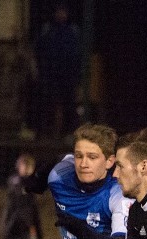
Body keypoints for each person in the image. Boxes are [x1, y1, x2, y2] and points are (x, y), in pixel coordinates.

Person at [32, 3, 81, 139]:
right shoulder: (48, 30)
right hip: (50, 75)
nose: (61, 15)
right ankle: (46, 132)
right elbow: (39, 50)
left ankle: (68, 132)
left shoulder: (72, 30)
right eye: (58, 12)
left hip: (67, 75)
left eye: (63, 12)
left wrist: (77, 76)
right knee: (49, 104)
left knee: (68, 104)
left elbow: (77, 54)